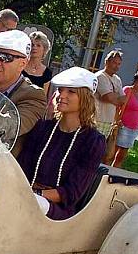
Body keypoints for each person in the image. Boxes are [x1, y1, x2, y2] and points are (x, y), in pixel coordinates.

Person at [16, 66, 106, 220]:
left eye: (71, 92)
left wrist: (33, 195)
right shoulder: (42, 128)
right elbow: (22, 168)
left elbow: (71, 193)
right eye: (60, 90)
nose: (61, 95)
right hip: (25, 195)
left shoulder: (93, 141)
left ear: (85, 98)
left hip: (57, 209)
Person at [112, 68, 138, 168]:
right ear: (137, 78)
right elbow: (118, 106)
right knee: (113, 153)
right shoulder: (127, 90)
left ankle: (114, 173)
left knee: (122, 155)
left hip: (134, 128)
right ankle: (105, 172)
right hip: (123, 126)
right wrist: (117, 120)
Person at [94, 50, 127, 164]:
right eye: (114, 63)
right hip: (97, 119)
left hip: (109, 121)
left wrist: (114, 98)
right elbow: (108, 97)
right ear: (106, 62)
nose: (116, 66)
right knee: (93, 149)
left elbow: (123, 99)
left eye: (118, 64)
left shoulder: (117, 79)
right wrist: (113, 98)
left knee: (104, 153)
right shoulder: (100, 77)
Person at [22, 31, 52, 95]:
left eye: (38, 45)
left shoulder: (47, 73)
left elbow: (44, 96)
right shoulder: (20, 65)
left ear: (44, 49)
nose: (34, 47)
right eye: (32, 45)